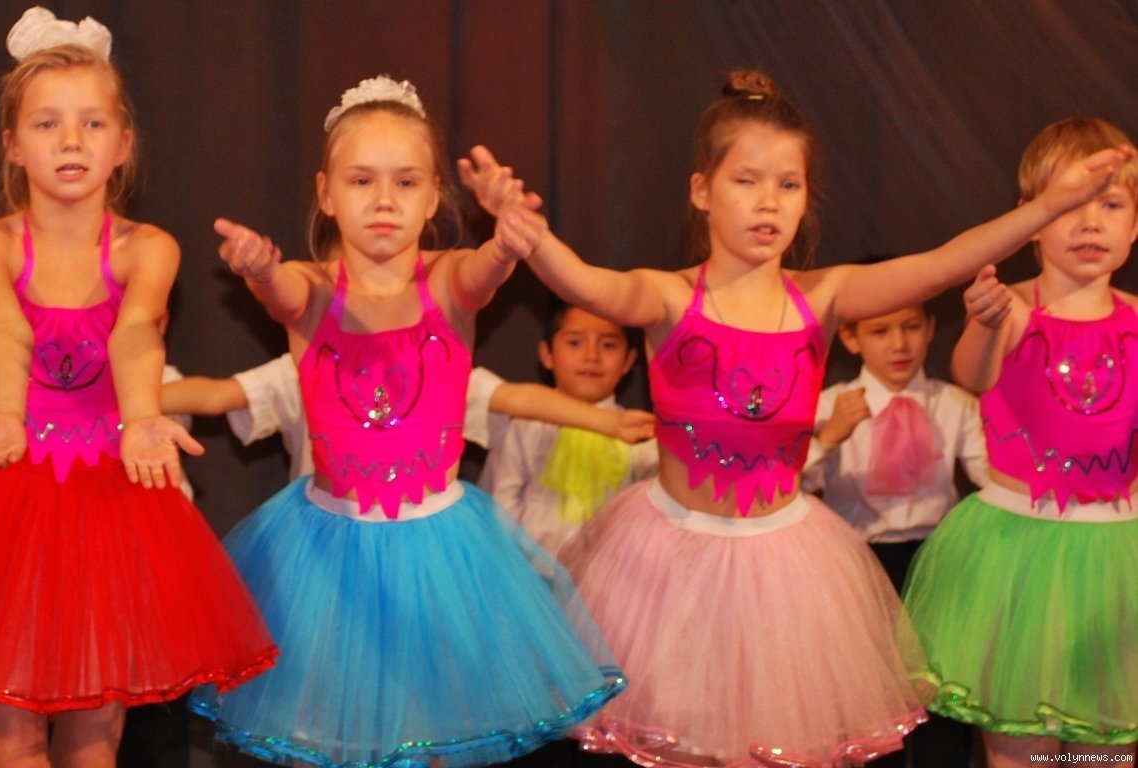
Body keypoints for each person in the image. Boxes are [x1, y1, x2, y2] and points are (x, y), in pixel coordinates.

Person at [459, 70, 1133, 767]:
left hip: (783, 570)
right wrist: (529, 236)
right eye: (746, 181)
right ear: (702, 191)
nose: (768, 202)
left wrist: (1047, 207)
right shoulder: (668, 298)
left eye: (789, 185)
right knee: (685, 749)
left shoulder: (826, 295)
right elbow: (586, 283)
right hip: (670, 570)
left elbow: (941, 265)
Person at [0, 9, 275, 767]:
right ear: (13, 145)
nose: (70, 140)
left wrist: (141, 418)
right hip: (12, 491)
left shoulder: (148, 248)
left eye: (91, 123)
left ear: (123, 144)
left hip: (110, 500)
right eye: (47, 124)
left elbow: (135, 332)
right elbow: (4, 326)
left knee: (94, 735)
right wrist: (4, 412)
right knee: (10, 733)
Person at [187, 75, 624, 767]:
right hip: (327, 555)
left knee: (433, 733)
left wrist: (508, 245)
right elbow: (283, 295)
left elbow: (483, 274)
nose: (385, 200)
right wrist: (259, 271)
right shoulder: (313, 285)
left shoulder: (448, 278)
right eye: (361, 181)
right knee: (330, 735)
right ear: (326, 193)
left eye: (406, 182)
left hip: (440, 549)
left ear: (433, 197)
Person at [902, 116, 1138, 768]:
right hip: (1015, 553)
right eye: (1070, 205)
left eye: (1111, 206)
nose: (1090, 223)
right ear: (1030, 219)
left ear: (1135, 225)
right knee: (1021, 747)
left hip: (1117, 552)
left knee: (1107, 749)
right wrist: (984, 321)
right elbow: (973, 376)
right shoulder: (1010, 309)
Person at [801, 301, 985, 767]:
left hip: (940, 563)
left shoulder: (955, 404)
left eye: (911, 327)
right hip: (859, 564)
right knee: (868, 703)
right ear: (850, 338)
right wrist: (829, 437)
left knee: (943, 695)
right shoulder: (827, 406)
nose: (899, 344)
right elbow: (793, 487)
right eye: (880, 331)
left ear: (931, 328)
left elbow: (992, 478)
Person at [160, 355, 654, 484]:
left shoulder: (434, 366)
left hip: (420, 545)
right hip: (328, 546)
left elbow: (515, 397)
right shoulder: (304, 367)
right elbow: (215, 394)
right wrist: (130, 402)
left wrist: (607, 423)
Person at [478, 304, 658, 556]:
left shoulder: (640, 435)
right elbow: (501, 499)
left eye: (608, 345)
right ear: (547, 354)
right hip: (530, 565)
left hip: (609, 566)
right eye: (575, 343)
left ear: (628, 360)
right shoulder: (526, 424)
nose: (592, 356)